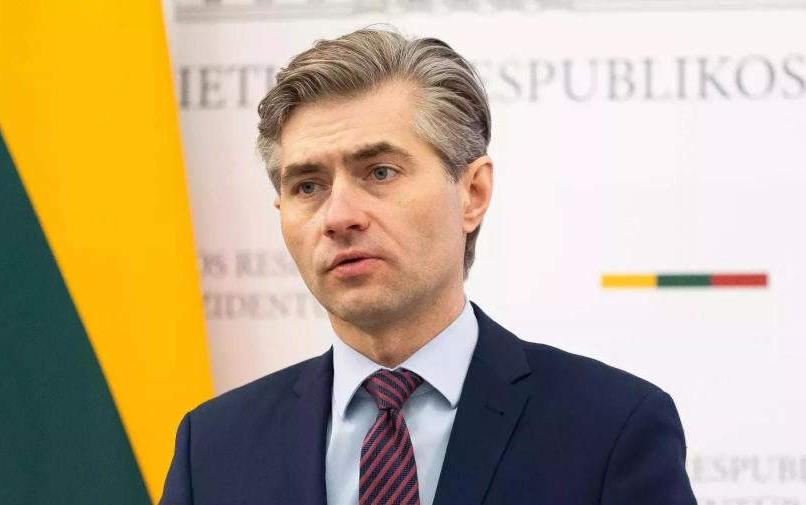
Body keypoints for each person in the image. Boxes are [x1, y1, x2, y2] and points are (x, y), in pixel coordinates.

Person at [160, 28, 697, 505]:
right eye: (308, 186)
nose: (339, 216)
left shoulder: (610, 428)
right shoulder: (211, 448)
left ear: (472, 193)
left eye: (380, 172)